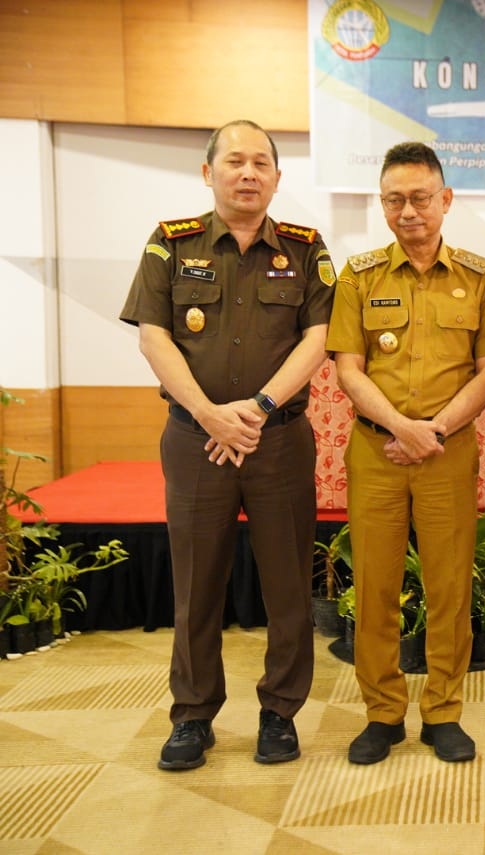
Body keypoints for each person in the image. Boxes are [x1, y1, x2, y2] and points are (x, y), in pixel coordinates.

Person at [119, 119, 334, 771]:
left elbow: (318, 336)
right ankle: (191, 715)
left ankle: (280, 712)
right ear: (208, 172)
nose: (248, 172)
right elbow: (154, 336)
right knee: (196, 583)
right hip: (194, 440)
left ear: (276, 176)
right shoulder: (170, 243)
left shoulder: (304, 248)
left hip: (279, 442)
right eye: (234, 161)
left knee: (289, 584)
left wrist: (259, 408)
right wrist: (210, 414)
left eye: (261, 162)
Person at [326, 142, 485, 765]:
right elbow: (349, 370)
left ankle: (443, 712)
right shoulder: (358, 275)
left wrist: (432, 431)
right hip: (376, 451)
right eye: (394, 200)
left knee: (449, 585)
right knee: (374, 585)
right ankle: (381, 714)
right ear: (382, 203)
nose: (408, 212)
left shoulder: (481, 279)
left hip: (447, 453)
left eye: (420, 198)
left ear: (445, 200)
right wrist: (402, 427)